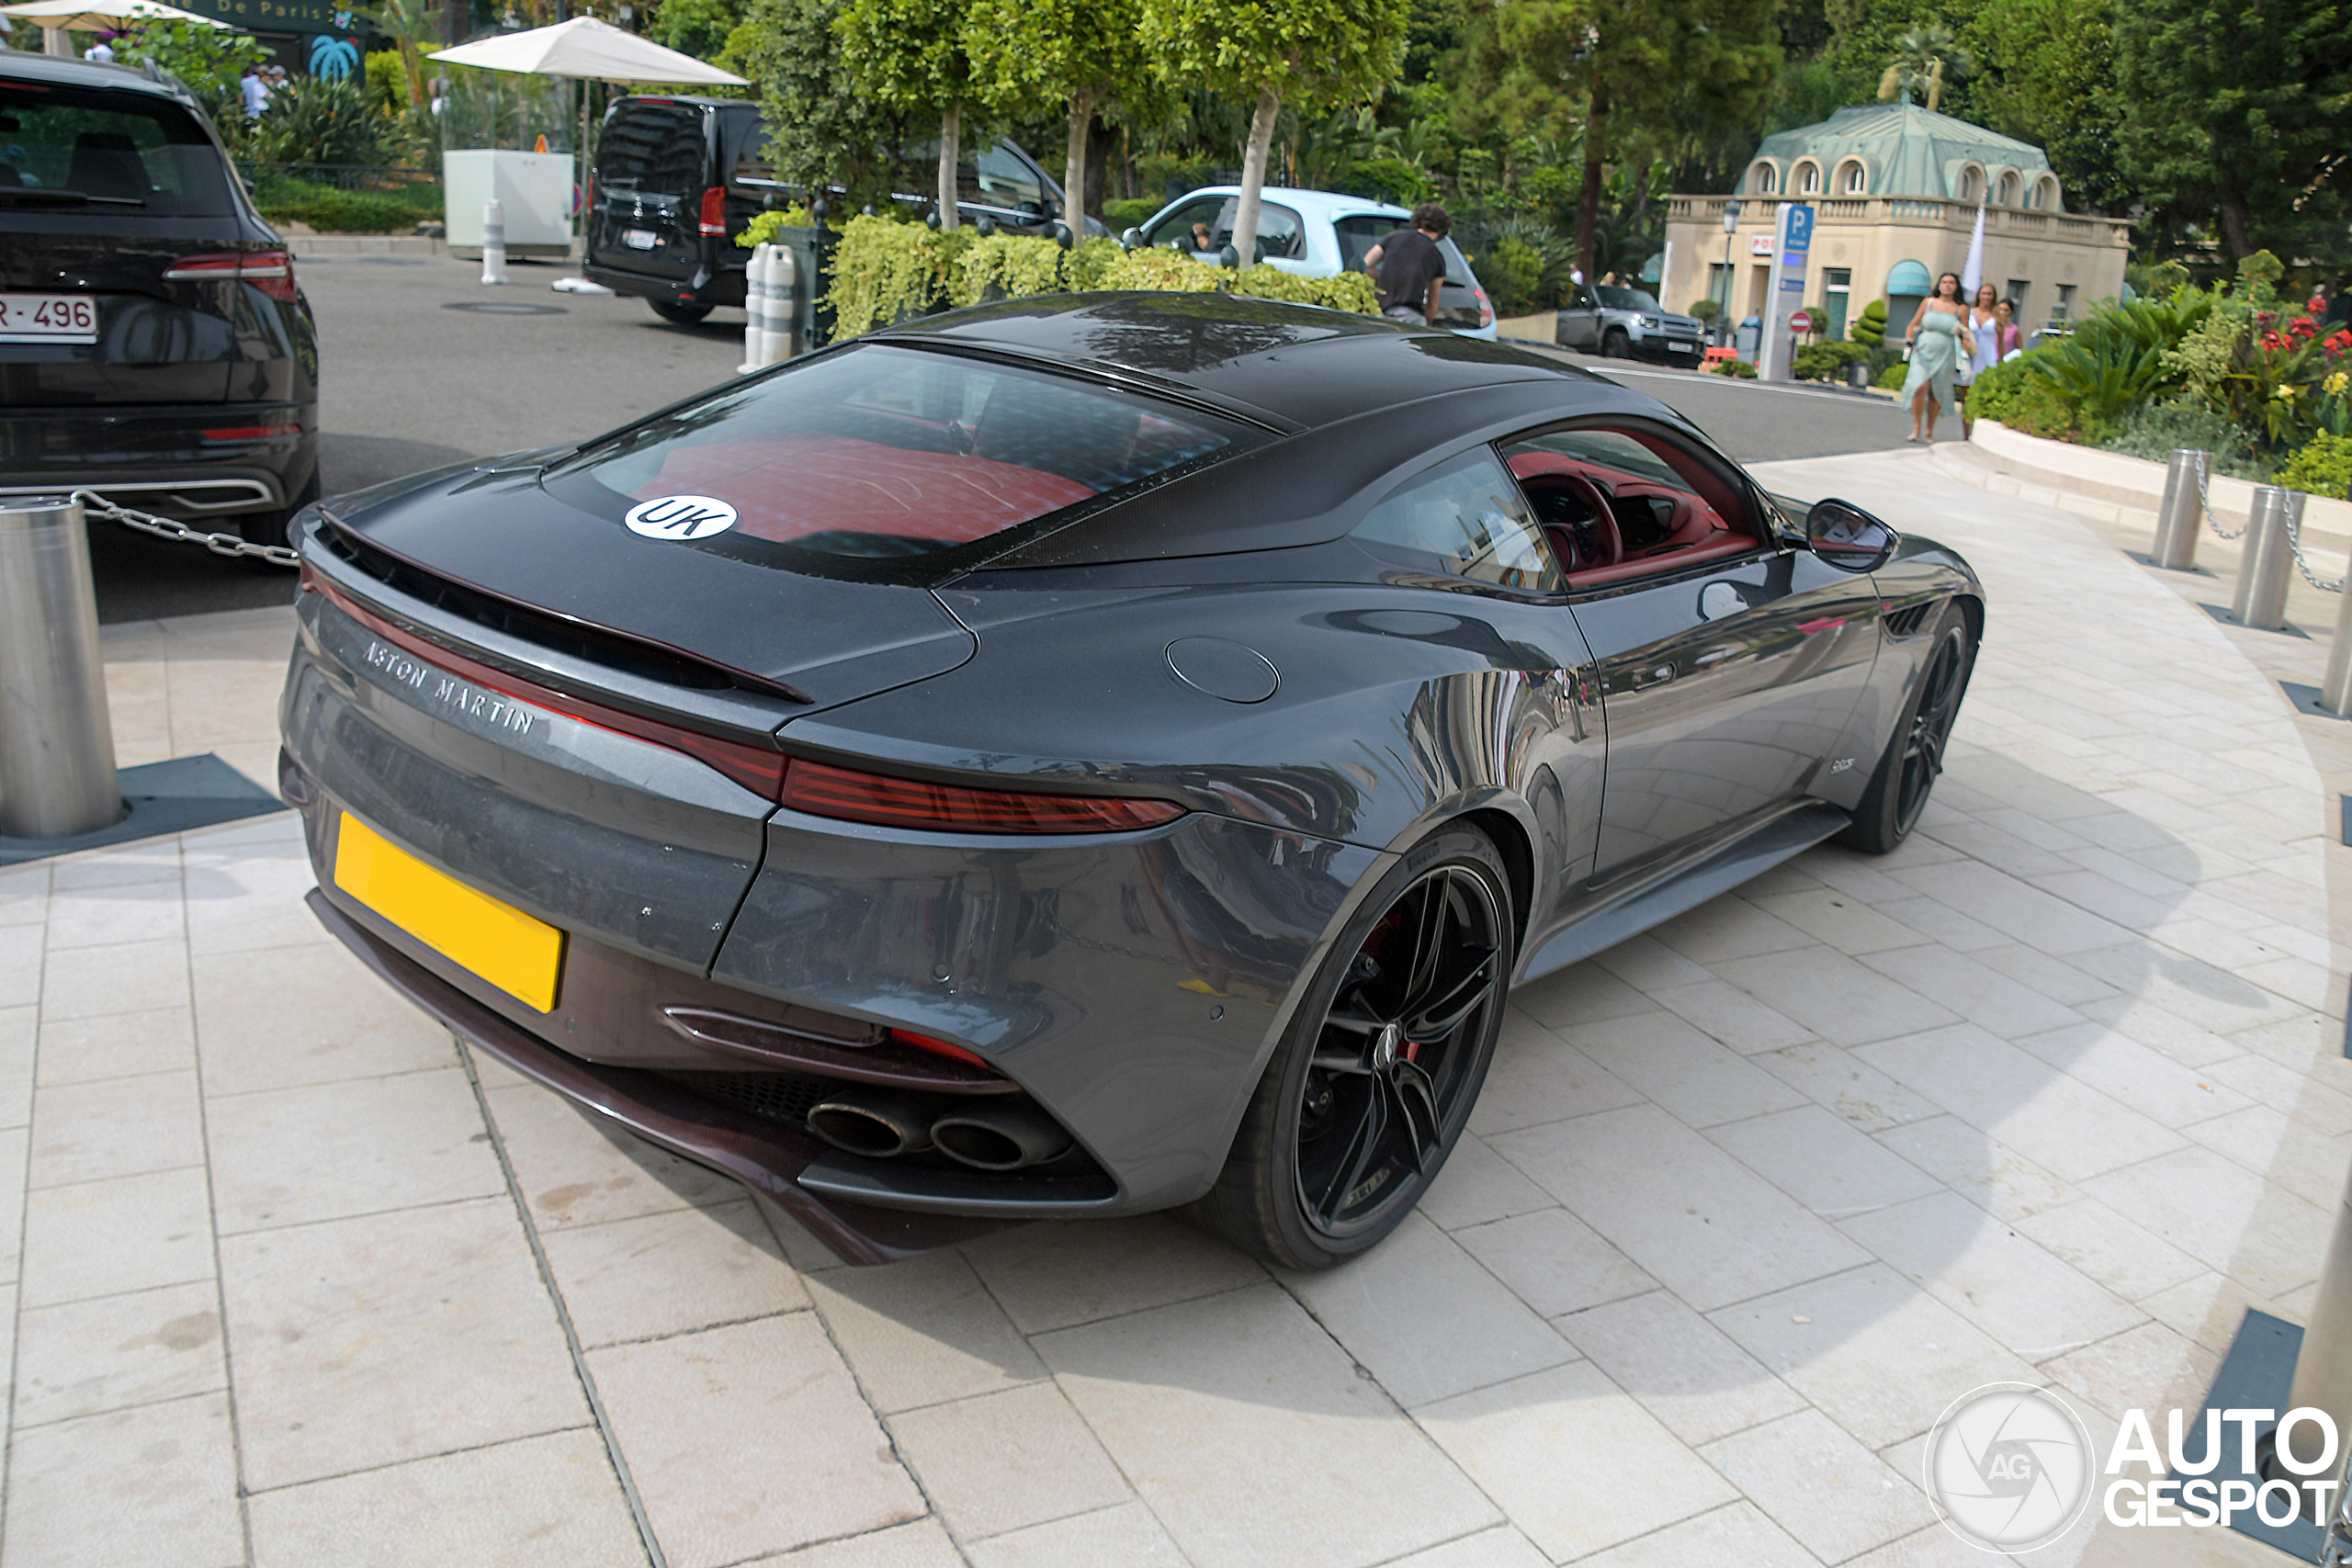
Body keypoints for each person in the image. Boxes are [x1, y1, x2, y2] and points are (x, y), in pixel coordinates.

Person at [1901, 271, 1967, 444]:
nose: (1947, 285)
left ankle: (1929, 431)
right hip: (1924, 348)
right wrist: (1909, 341)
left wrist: (1962, 335)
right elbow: (1913, 325)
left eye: (1951, 282)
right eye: (1944, 281)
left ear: (1956, 287)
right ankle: (1916, 427)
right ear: (1939, 285)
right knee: (1919, 387)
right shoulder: (1928, 303)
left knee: (1936, 391)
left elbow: (1966, 334)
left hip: (1946, 351)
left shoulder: (1961, 309)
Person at [1363, 202, 1452, 328]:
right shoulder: (1437, 257)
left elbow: (1367, 264)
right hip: (1411, 316)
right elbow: (1433, 302)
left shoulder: (1391, 238)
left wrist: (1380, 279)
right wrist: (1429, 325)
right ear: (1441, 228)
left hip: (1379, 310)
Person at [1958, 281, 1999, 436]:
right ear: (1979, 295)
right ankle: (1966, 434)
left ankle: (1979, 433)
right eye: (1984, 293)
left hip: (1988, 357)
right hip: (1971, 356)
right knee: (1966, 397)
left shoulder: (1996, 315)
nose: (1986, 296)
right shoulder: (1970, 312)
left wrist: (2001, 360)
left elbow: (2000, 340)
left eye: (1989, 294)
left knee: (1983, 396)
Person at [1992, 297, 2025, 362]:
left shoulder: (2014, 330)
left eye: (2005, 310)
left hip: (2005, 361)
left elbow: (2020, 350)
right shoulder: (1991, 326)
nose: (2002, 312)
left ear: (2010, 312)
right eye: (2000, 309)